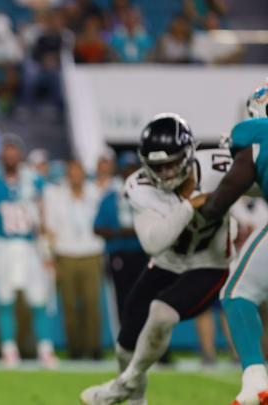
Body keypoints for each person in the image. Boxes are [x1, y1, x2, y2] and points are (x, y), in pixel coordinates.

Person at [80, 113, 234, 405]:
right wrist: (189, 207)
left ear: (188, 154)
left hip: (210, 264)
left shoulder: (219, 166)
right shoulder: (139, 186)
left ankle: (122, 385)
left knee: (162, 313)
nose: (164, 173)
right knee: (126, 341)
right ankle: (137, 399)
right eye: (157, 166)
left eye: (171, 163)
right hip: (167, 262)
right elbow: (153, 242)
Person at [196, 82, 268, 405]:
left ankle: (255, 379)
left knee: (236, 293)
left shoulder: (254, 131)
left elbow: (232, 186)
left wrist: (204, 214)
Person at [0, 140, 57, 369]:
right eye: (6, 154)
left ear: (20, 157)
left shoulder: (34, 183)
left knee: (39, 299)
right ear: (1, 158)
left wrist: (47, 252)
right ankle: (10, 349)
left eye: (13, 154)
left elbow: (43, 220)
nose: (10, 158)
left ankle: (45, 349)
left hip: (30, 247)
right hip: (3, 246)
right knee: (5, 300)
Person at [44, 160, 105, 360]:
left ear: (84, 175)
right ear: (67, 175)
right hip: (66, 253)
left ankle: (94, 347)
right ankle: (75, 349)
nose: (75, 177)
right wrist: (51, 254)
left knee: (91, 303)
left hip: (91, 252)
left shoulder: (95, 193)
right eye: (72, 173)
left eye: (78, 173)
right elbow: (50, 226)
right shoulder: (56, 195)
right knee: (69, 304)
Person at [93, 152, 148, 337]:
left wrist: (138, 230)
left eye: (133, 169)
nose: (129, 173)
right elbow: (97, 227)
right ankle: (126, 342)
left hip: (142, 252)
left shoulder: (147, 195)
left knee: (145, 298)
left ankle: (150, 345)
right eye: (127, 169)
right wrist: (119, 233)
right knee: (122, 299)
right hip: (119, 253)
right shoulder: (111, 197)